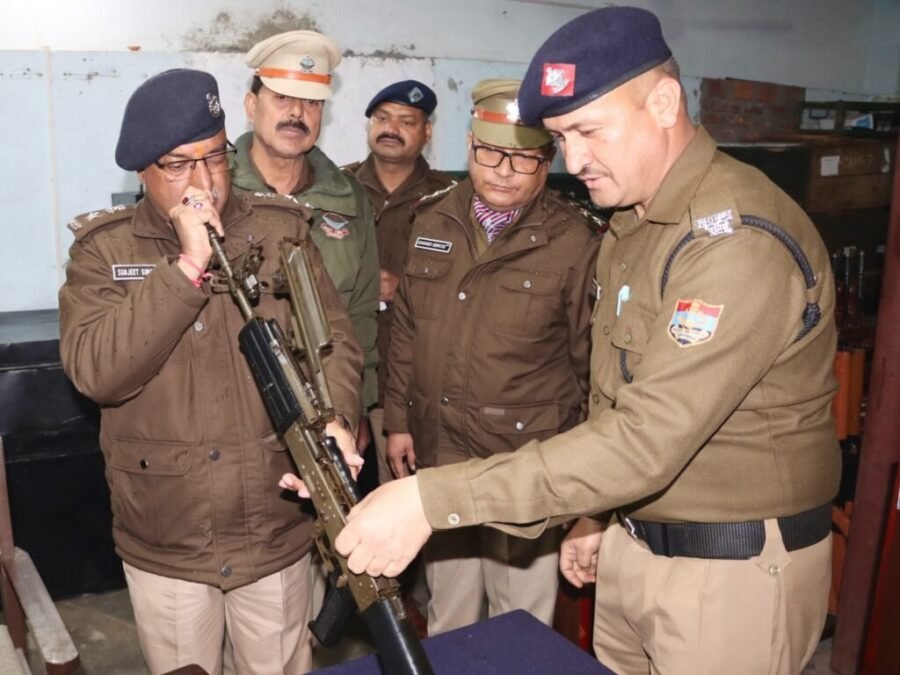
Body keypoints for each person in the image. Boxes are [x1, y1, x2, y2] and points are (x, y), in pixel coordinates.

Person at [330, 7, 841, 675]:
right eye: (562, 137)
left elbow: (645, 438)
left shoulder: (733, 240)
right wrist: (599, 516)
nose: (573, 160)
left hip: (726, 568)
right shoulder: (634, 222)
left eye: (589, 131)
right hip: (634, 541)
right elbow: (609, 397)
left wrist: (432, 499)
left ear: (664, 103)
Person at [58, 68, 363, 675]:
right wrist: (185, 269)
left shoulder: (281, 231)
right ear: (142, 172)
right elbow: (96, 372)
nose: (204, 182)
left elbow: (333, 346)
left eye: (215, 157)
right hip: (168, 534)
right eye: (178, 165)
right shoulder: (104, 250)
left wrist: (337, 419)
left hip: (271, 526)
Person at [387, 78, 601, 634]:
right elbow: (407, 328)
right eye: (490, 152)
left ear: (548, 161)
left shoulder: (575, 241)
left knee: (520, 626)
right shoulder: (432, 220)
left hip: (527, 463)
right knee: (450, 617)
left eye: (524, 159)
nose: (504, 171)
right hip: (443, 452)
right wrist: (398, 422)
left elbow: (592, 366)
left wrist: (587, 480)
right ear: (468, 145)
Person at [232, 30, 380, 434]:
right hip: (233, 411)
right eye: (282, 97)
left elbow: (361, 313)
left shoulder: (349, 199)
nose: (297, 113)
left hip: (328, 412)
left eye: (312, 102)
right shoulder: (216, 188)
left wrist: (358, 409)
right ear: (251, 106)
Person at [342, 79, 455, 485]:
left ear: (427, 132)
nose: (391, 128)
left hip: (411, 384)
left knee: (407, 497)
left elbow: (465, 289)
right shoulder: (338, 188)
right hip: (344, 373)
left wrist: (403, 288)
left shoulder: (450, 199)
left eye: (406, 121)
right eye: (382, 118)